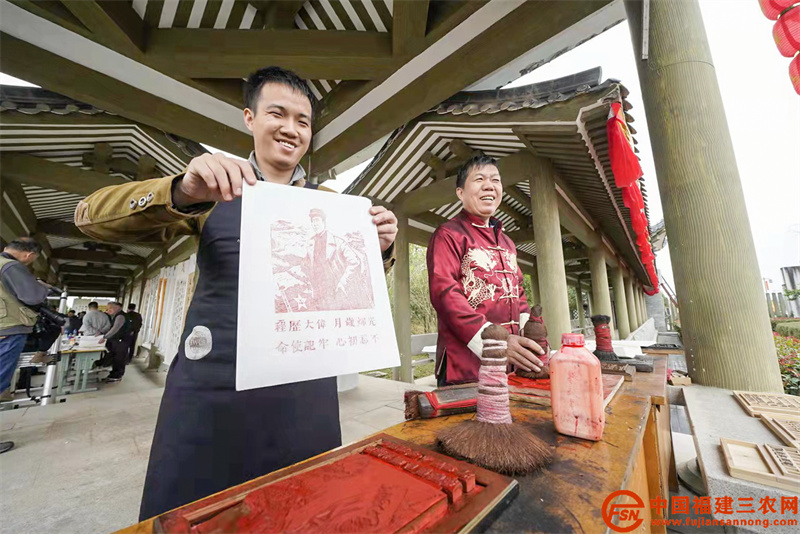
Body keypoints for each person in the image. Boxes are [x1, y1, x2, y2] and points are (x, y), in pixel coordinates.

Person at [74, 66, 399, 519]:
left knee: (304, 511)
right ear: (249, 118)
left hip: (303, 392)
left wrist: (378, 249)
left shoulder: (333, 204)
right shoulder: (211, 185)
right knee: (195, 514)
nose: (290, 129)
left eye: (302, 121)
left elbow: (345, 291)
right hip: (213, 388)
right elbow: (88, 215)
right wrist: (181, 190)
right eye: (277, 114)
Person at [427, 154, 545, 386]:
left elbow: (518, 291)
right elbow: (445, 293)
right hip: (465, 364)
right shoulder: (448, 234)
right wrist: (495, 343)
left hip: (511, 361)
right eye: (479, 179)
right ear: (460, 193)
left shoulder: (507, 242)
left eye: (496, 180)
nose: (489, 185)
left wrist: (529, 335)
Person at [0, 238, 50, 453]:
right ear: (29, 255)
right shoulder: (11, 266)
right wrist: (42, 287)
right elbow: (32, 296)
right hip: (8, 329)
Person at [99, 302, 132, 382]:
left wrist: (105, 337)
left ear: (117, 308)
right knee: (115, 358)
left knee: (119, 358)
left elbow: (115, 329)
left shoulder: (120, 316)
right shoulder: (116, 316)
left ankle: (117, 375)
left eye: (110, 308)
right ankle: (114, 373)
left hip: (121, 341)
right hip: (118, 340)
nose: (108, 310)